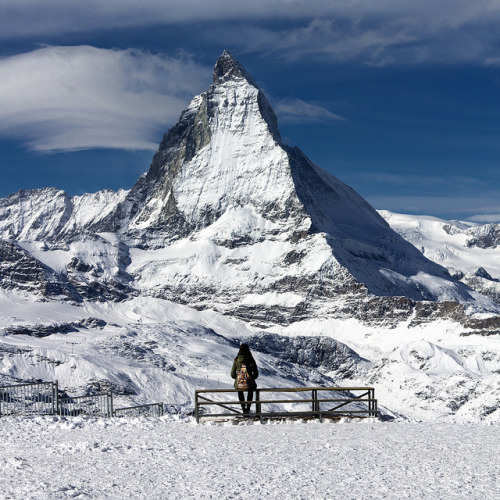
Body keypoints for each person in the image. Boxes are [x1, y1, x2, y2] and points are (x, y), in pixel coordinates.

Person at [231, 344, 259, 414]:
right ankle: (248, 408)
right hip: (249, 382)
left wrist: (237, 378)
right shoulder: (250, 358)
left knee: (240, 391)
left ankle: (243, 409)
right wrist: (252, 377)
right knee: (251, 391)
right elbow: (255, 371)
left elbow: (232, 373)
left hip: (239, 382)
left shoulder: (236, 359)